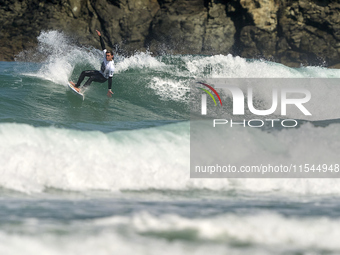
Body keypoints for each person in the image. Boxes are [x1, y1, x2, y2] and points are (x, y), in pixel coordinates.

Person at [69, 30, 115, 97]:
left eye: (108, 56)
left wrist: (109, 89)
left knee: (92, 77)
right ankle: (76, 85)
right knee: (84, 72)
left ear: (112, 56)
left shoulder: (111, 67)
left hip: (103, 78)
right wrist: (100, 36)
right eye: (106, 55)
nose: (107, 57)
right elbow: (103, 46)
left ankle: (81, 90)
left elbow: (110, 78)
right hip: (100, 73)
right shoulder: (105, 56)